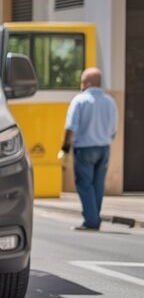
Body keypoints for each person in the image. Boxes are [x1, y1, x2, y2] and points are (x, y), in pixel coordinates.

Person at [59, 67, 118, 231]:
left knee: (84, 184)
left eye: (82, 81)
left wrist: (65, 147)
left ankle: (91, 220)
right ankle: (94, 216)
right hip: (104, 148)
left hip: (84, 148)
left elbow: (70, 127)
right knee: (97, 184)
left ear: (88, 83)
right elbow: (114, 129)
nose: (81, 84)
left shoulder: (80, 100)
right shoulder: (110, 101)